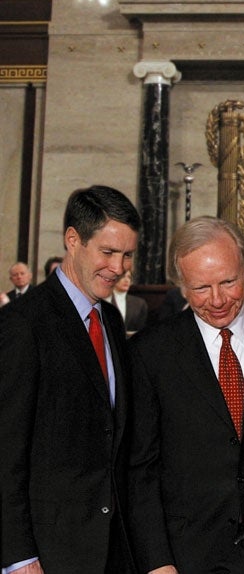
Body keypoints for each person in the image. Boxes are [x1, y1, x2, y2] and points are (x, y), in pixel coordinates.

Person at [127, 216, 244, 574]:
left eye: (228, 281)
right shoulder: (151, 353)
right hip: (187, 555)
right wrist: (157, 561)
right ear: (180, 286)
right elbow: (139, 470)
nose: (218, 300)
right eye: (201, 288)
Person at [0, 185, 141, 574]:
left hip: (112, 550)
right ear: (73, 240)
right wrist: (19, 558)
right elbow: (5, 451)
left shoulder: (110, 321)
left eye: (127, 255)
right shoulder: (22, 324)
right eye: (108, 252)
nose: (119, 267)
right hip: (48, 555)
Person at [111, 269, 148, 335]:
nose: (126, 280)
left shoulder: (139, 303)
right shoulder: (103, 300)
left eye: (129, 277)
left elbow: (142, 330)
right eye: (123, 276)